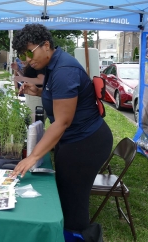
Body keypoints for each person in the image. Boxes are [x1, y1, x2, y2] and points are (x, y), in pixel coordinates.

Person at [10, 24, 113, 238]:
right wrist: (37, 91)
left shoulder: (64, 71)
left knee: (73, 200)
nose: (27, 60)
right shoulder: (53, 65)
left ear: (46, 45)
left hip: (86, 142)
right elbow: (59, 97)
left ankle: (78, 235)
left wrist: (34, 156)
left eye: (30, 52)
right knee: (66, 194)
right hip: (75, 139)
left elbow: (62, 121)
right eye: (22, 55)